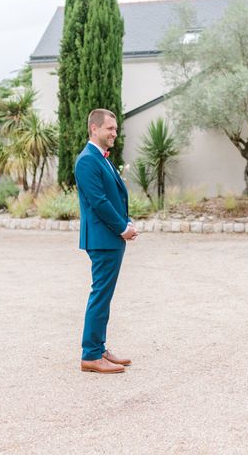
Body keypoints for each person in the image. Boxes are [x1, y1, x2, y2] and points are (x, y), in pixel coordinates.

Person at [74, 109, 138, 374]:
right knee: (100, 295)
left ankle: (99, 348)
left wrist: (127, 220)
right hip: (103, 239)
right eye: (110, 128)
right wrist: (123, 228)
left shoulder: (101, 158)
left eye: (115, 128)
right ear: (94, 129)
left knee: (104, 295)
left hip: (109, 237)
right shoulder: (87, 160)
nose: (115, 133)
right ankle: (90, 354)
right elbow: (98, 202)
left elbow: (113, 197)